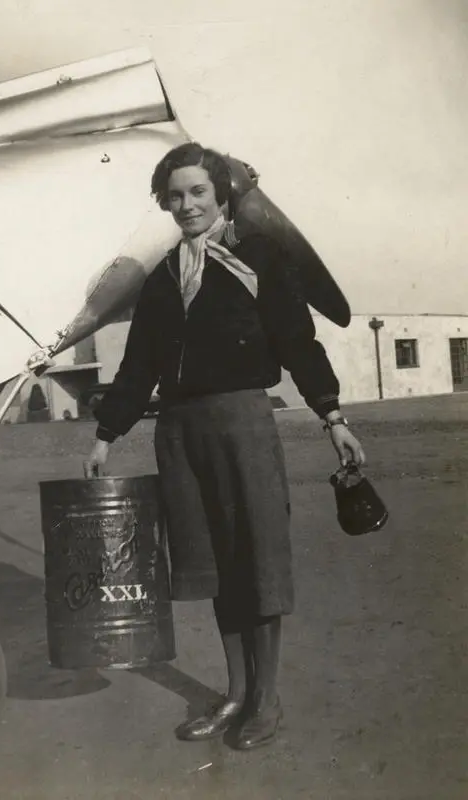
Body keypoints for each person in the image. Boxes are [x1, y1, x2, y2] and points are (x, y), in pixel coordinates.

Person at [84, 142, 365, 751]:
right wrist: (108, 434)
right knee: (213, 566)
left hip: (242, 423)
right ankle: (235, 693)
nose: (186, 205)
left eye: (198, 193)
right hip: (179, 433)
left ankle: (267, 699)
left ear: (222, 195)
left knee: (255, 561)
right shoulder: (162, 276)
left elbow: (298, 342)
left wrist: (332, 416)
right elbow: (139, 364)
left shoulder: (259, 256)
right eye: (175, 195)